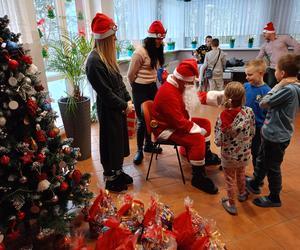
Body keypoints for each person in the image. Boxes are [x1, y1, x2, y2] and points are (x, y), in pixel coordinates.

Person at [151, 59, 220, 194]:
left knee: (205, 123)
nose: (193, 85)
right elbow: (179, 123)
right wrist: (197, 130)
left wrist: (218, 96)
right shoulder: (168, 93)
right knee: (197, 138)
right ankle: (198, 176)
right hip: (165, 128)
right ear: (184, 80)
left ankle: (203, 154)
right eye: (191, 83)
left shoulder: (178, 85)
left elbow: (195, 96)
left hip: (175, 122)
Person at [86, 13, 134, 192]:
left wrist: (127, 99)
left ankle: (118, 170)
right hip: (108, 109)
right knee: (110, 141)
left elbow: (119, 81)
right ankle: (111, 176)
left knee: (119, 141)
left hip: (118, 106)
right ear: (105, 38)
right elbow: (106, 93)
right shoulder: (94, 61)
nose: (115, 40)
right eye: (113, 38)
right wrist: (123, 105)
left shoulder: (107, 57)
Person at [246, 54, 300, 207]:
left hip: (276, 136)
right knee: (262, 159)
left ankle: (274, 197)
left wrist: (279, 85)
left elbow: (264, 103)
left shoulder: (288, 89)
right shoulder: (295, 86)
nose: (274, 72)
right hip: (272, 133)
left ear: (282, 73)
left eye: (275, 69)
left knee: (273, 167)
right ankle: (256, 182)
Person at [127, 20, 166, 165]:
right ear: (150, 38)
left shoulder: (157, 49)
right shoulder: (139, 52)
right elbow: (130, 75)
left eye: (162, 39)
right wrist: (136, 89)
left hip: (151, 87)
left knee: (153, 117)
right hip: (139, 89)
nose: (160, 42)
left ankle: (149, 145)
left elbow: (156, 70)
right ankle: (139, 150)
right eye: (158, 39)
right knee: (142, 121)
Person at [214, 82, 255, 215]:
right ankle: (242, 193)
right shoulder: (249, 112)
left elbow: (218, 141)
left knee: (229, 180)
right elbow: (253, 131)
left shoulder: (222, 118)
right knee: (241, 173)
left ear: (226, 97)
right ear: (243, 97)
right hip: (244, 154)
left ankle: (231, 204)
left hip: (228, 157)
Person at [244, 59, 271, 170]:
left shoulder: (267, 91)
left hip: (258, 128)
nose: (247, 77)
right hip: (244, 126)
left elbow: (269, 113)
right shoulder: (245, 86)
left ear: (260, 74)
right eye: (246, 74)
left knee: (257, 152)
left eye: (250, 74)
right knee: (241, 149)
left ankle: (257, 176)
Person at [256, 22, 300, 88]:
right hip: (273, 69)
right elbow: (259, 58)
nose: (263, 34)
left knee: (289, 86)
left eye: (265, 33)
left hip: (286, 67)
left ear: (271, 32)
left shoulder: (284, 38)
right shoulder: (264, 45)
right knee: (271, 86)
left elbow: (297, 45)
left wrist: (295, 58)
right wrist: (251, 65)